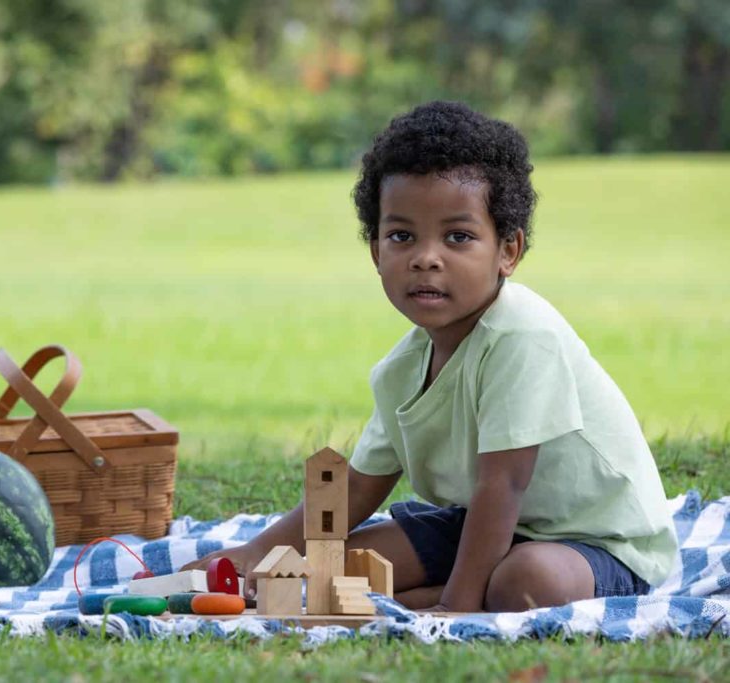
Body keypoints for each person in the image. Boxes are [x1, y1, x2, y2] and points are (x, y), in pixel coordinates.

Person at [184, 101, 676, 613]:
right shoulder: (402, 368)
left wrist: (457, 608)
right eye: (401, 236)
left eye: (458, 237)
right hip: (486, 526)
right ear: (376, 250)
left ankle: (455, 594)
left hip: (598, 543)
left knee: (527, 582)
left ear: (508, 251)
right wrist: (260, 551)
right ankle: (451, 587)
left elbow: (503, 485)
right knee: (346, 564)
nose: (425, 257)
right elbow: (355, 486)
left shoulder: (523, 336)